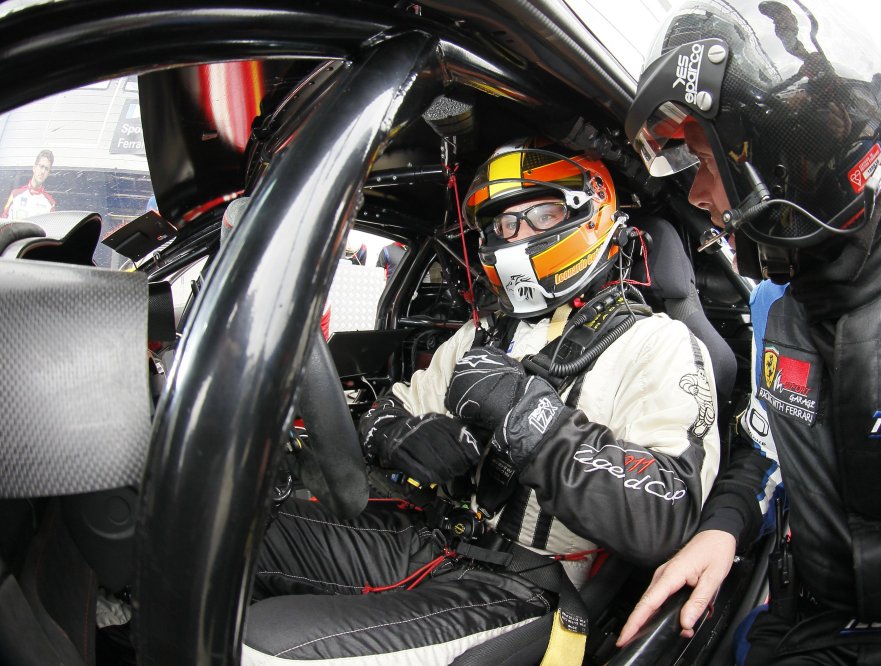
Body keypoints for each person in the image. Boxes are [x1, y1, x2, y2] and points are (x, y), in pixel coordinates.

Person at [618, 1, 881, 663]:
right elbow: (766, 443)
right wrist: (722, 529)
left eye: (704, 162)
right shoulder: (775, 304)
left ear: (788, 163)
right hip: (808, 624)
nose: (699, 195)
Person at [242, 139, 722, 665]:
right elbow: (384, 412)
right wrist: (399, 435)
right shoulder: (482, 334)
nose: (519, 236)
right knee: (235, 534)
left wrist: (529, 418)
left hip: (527, 582)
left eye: (543, 214)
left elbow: (662, 514)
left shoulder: (658, 344)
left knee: (263, 647)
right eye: (506, 225)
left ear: (591, 213)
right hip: (435, 538)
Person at [3, 149, 55, 220]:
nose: (43, 171)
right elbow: (4, 221)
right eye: (41, 166)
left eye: (46, 169)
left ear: (48, 173)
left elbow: (51, 226)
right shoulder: (15, 194)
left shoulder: (50, 202)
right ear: (34, 168)